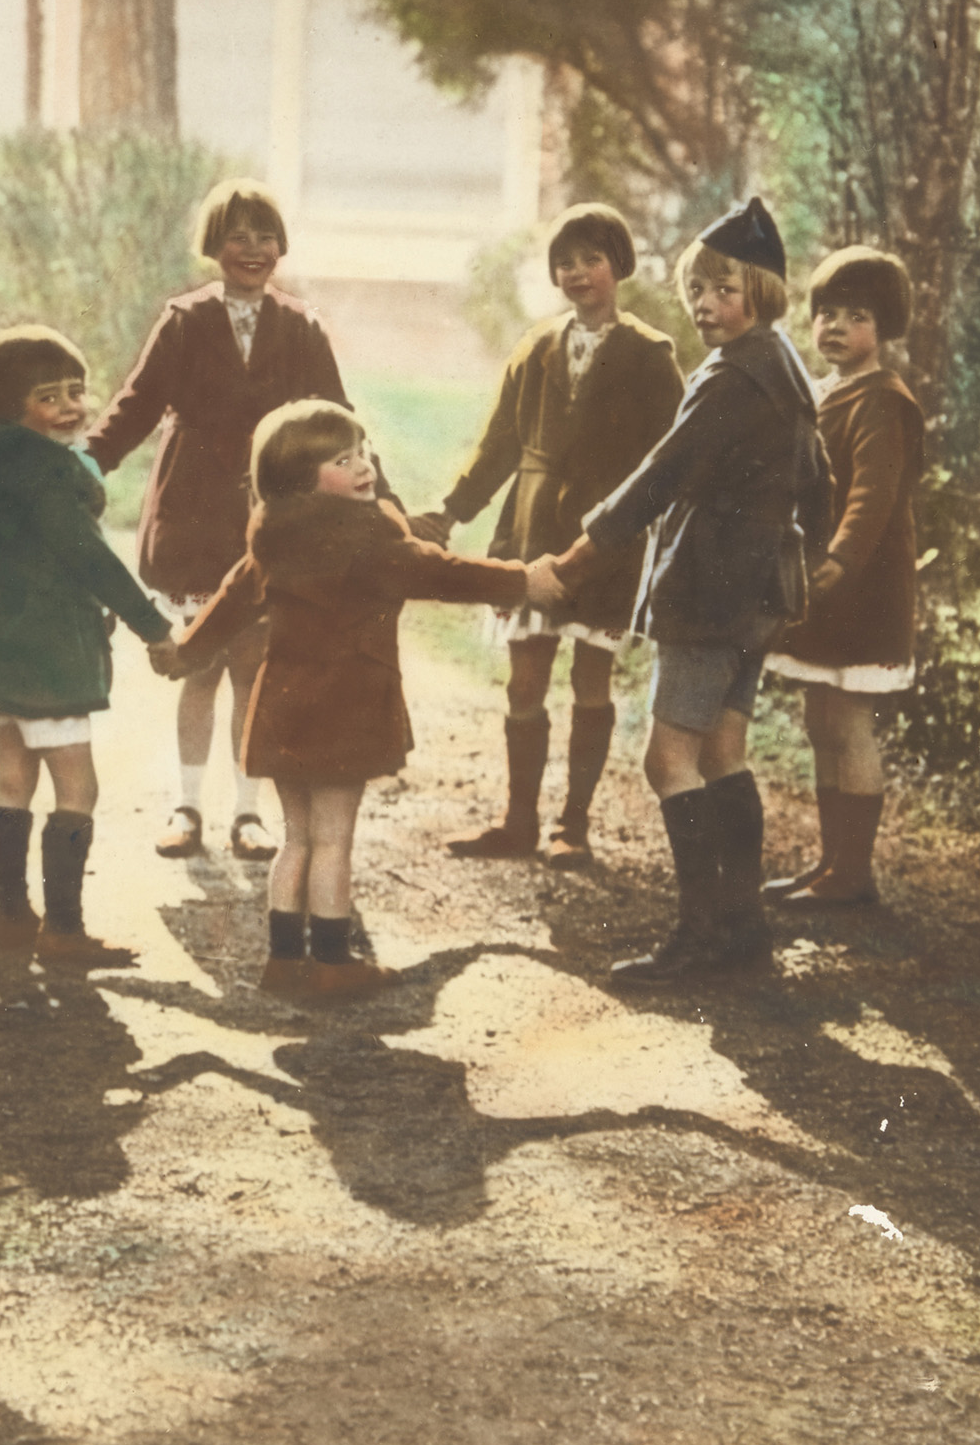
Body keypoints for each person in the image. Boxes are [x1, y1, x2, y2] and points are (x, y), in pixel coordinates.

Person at [153, 399, 549, 1004]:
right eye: (344, 459)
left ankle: (284, 961)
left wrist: (186, 649)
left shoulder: (273, 538)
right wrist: (525, 580)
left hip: (282, 708)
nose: (365, 466)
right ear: (300, 477)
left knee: (297, 838)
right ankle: (333, 962)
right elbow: (446, 573)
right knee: (334, 839)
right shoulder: (369, 541)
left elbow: (232, 599)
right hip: (345, 708)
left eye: (363, 452)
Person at [546, 197, 831, 982]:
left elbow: (662, 474)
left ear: (762, 294)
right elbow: (819, 482)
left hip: (709, 594)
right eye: (696, 290)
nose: (706, 305)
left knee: (668, 759)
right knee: (723, 753)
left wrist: (577, 557)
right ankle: (743, 933)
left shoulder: (732, 376)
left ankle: (705, 937)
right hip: (759, 594)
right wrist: (810, 556)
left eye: (723, 290)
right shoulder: (784, 366)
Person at [85, 178, 373, 865]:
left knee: (255, 668)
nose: (253, 249)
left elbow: (337, 418)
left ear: (281, 246)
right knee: (198, 664)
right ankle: (186, 806)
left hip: (269, 521)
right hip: (192, 516)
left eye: (265, 236)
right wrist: (79, 468)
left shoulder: (300, 327)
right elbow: (136, 406)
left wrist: (376, 497)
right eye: (238, 237)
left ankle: (247, 811)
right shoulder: (185, 321)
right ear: (215, 245)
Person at [412, 204, 682, 866]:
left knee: (593, 679)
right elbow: (498, 443)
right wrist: (452, 512)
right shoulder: (536, 347)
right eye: (565, 261)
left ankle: (574, 826)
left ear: (619, 265)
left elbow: (672, 456)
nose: (578, 273)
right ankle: (518, 821)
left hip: (605, 544)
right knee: (525, 680)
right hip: (531, 531)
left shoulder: (650, 354)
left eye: (592, 258)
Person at [0, 326, 173, 967]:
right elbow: (89, 559)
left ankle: (10, 918)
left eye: (77, 391)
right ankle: (63, 929)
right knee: (77, 787)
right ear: (11, 408)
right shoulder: (52, 475)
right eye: (50, 397)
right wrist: (153, 625)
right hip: (50, 654)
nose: (72, 407)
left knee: (13, 774)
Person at [763, 247, 925, 907]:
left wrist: (837, 565)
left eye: (854, 317)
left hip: (861, 584)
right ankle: (831, 865)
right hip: (821, 583)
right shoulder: (826, 392)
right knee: (820, 721)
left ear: (881, 329)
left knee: (849, 720)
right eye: (826, 314)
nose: (834, 328)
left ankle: (853, 874)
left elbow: (872, 498)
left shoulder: (883, 401)